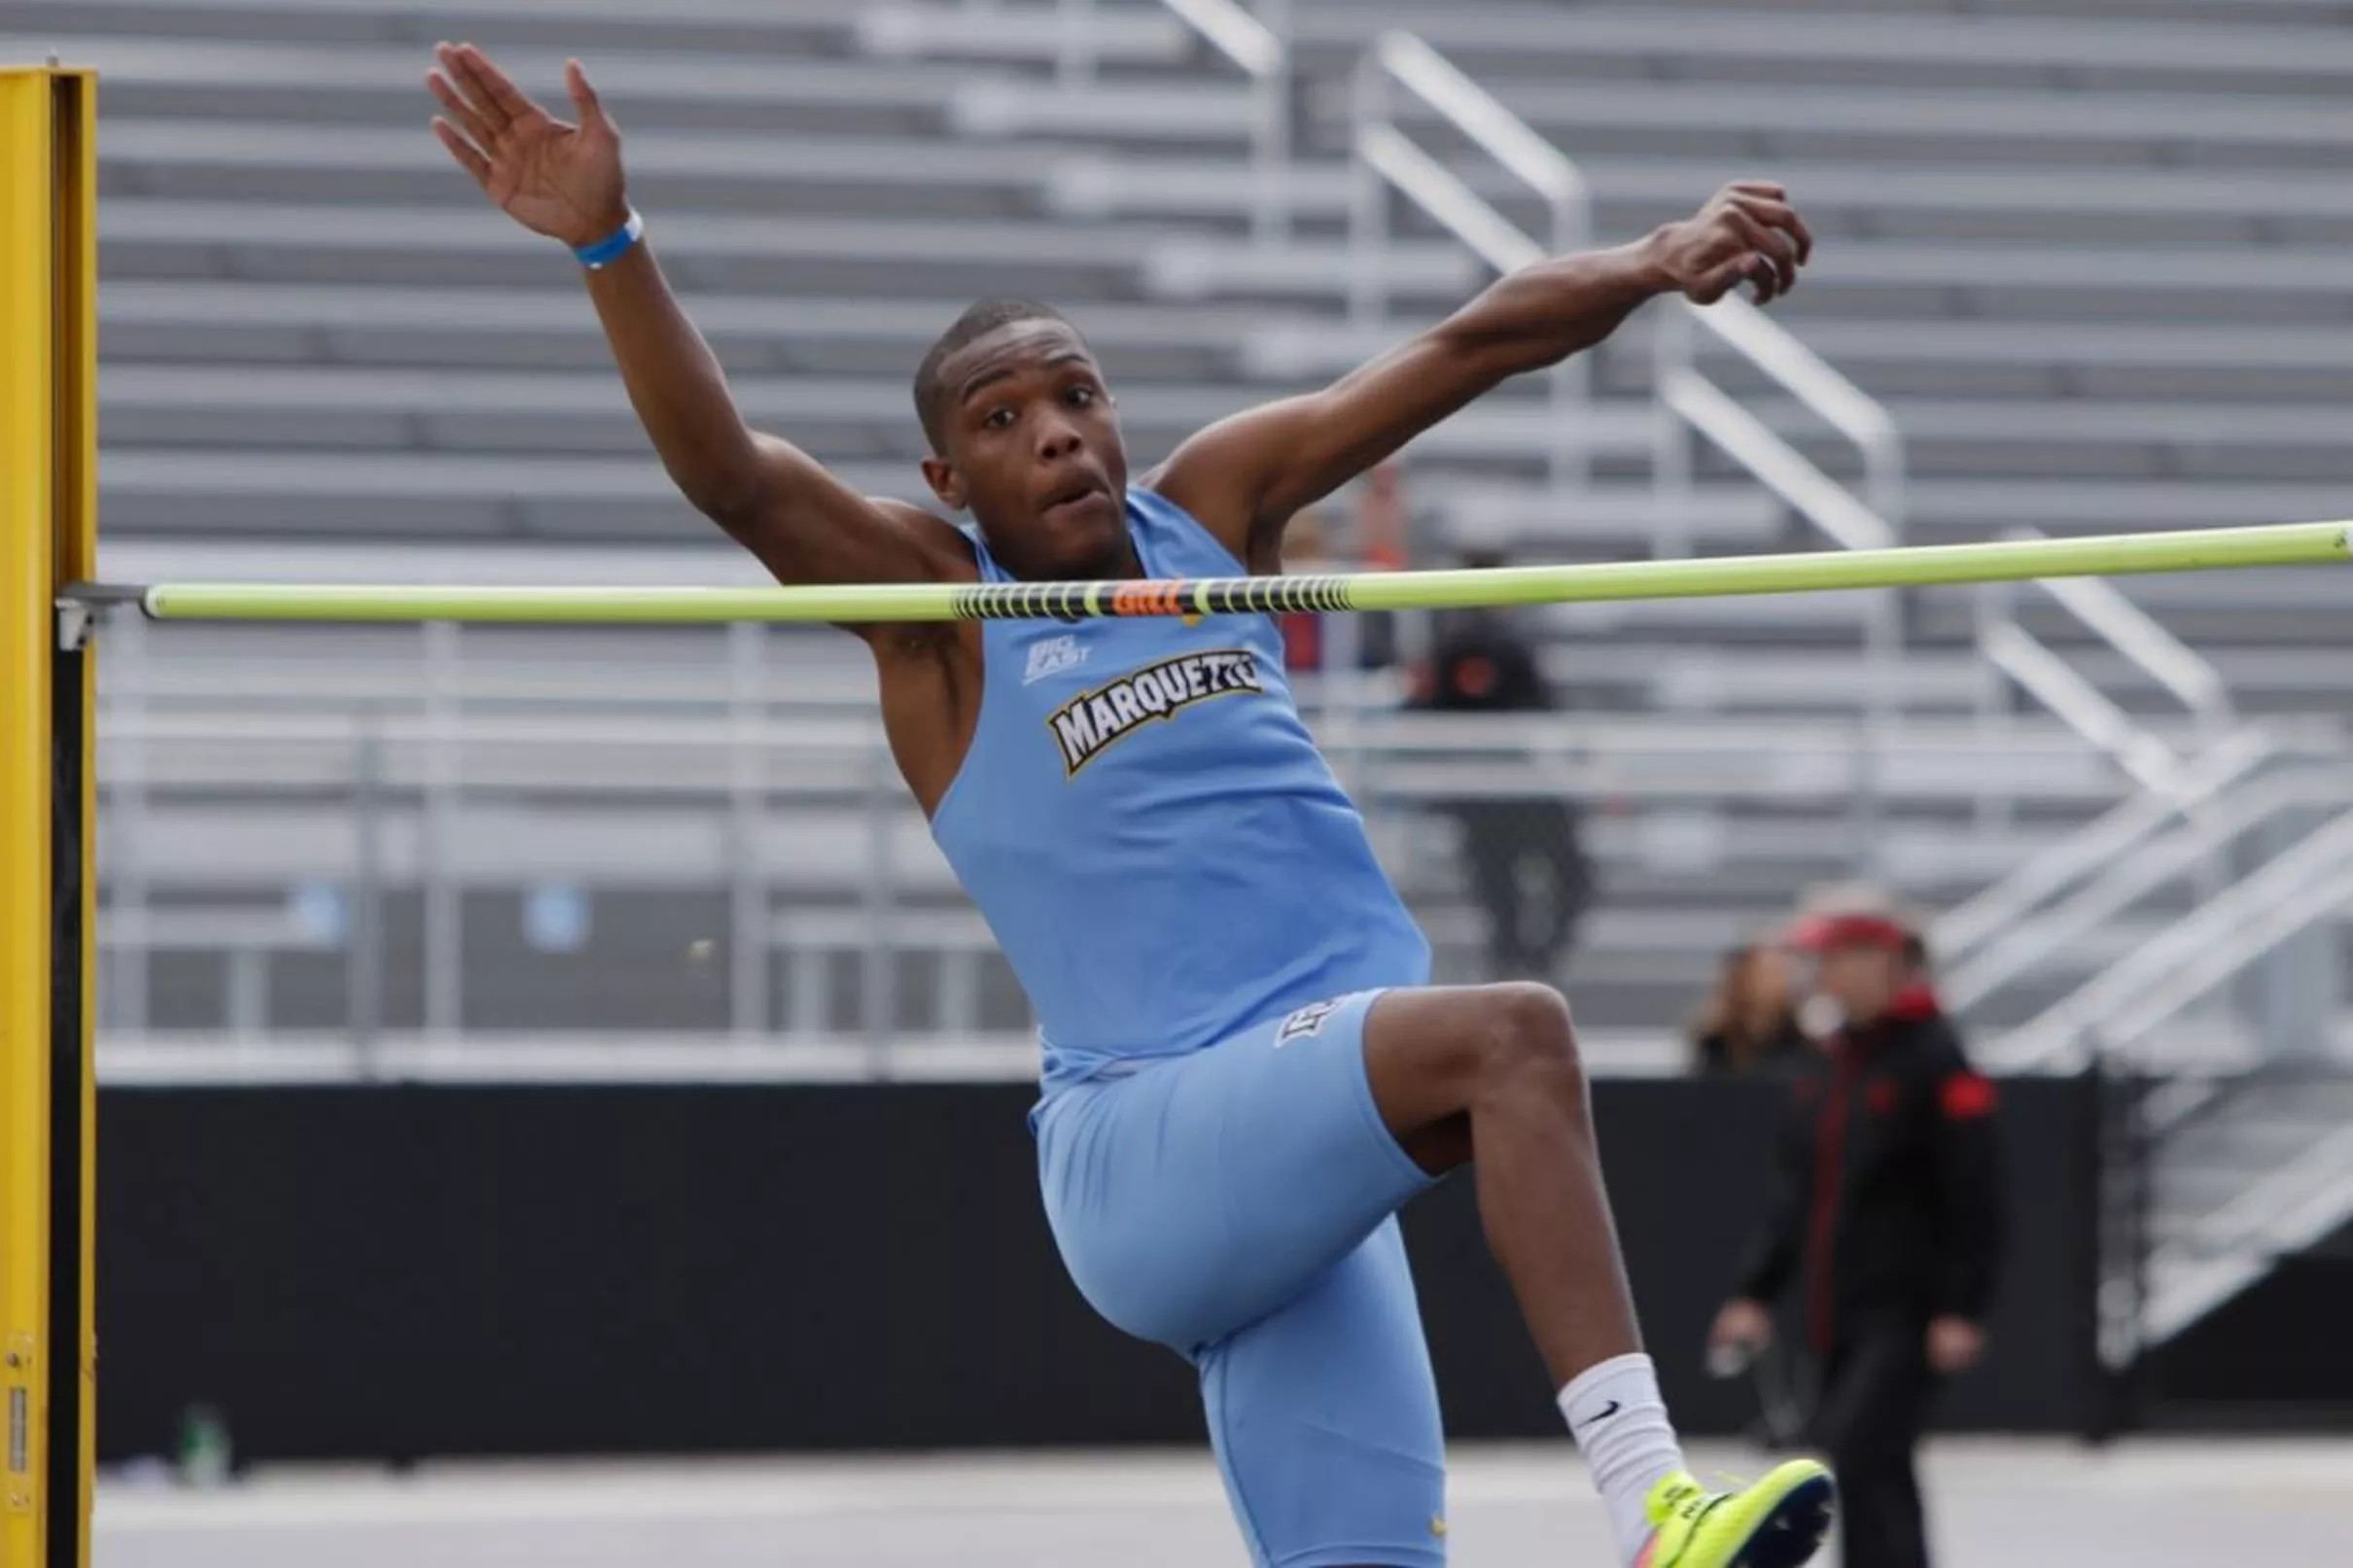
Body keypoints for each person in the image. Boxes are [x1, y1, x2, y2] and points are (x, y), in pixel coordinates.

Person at [427, 42, 1829, 1568]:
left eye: (1076, 395)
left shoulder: (1214, 511)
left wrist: (1651, 257)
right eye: (1003, 417)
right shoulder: (934, 613)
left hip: (1285, 1157)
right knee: (1515, 1037)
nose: (1056, 433)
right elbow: (734, 479)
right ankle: (1654, 1505)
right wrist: (612, 247)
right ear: (946, 477)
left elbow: (1466, 344)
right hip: (1150, 1144)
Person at [1708, 906, 2003, 1568]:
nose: (1823, 973)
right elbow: (1796, 1193)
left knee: (1864, 1444)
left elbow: (1976, 1192)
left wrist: (1963, 1306)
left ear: (1882, 961)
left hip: (1906, 1307)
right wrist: (1755, 1291)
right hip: (1837, 1306)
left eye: (1837, 957)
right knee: (1870, 1463)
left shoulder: (1936, 1058)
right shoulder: (1833, 1063)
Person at [1409, 550, 1596, 981]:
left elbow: (1543, 707)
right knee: (1505, 895)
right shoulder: (1467, 647)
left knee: (1552, 883)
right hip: (1488, 795)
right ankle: (1522, 969)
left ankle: (1533, 963)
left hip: (1518, 788)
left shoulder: (1498, 643)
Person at [1690, 942, 1811, 1077]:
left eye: (1778, 973)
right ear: (1741, 978)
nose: (1772, 983)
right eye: (1764, 974)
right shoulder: (1715, 1041)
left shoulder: (1798, 1042)